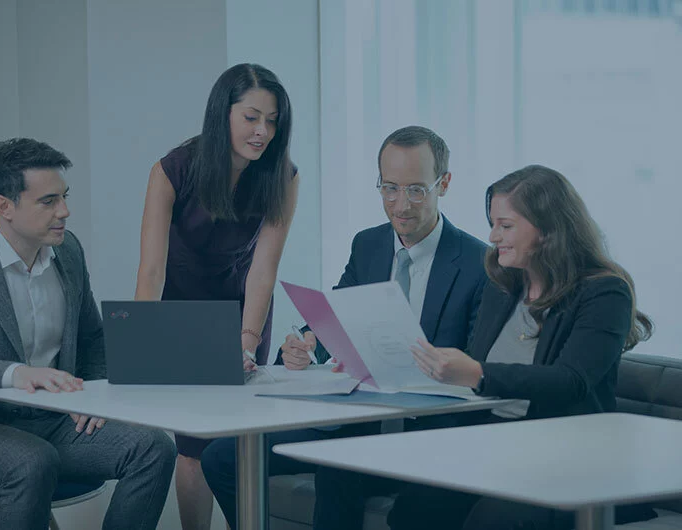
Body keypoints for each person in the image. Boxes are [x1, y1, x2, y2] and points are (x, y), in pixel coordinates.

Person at [313, 164, 655, 530]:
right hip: (488, 446)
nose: (493, 236)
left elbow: (570, 381)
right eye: (492, 223)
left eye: (506, 226)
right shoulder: (502, 283)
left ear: (548, 230)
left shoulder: (604, 292)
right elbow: (468, 372)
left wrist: (476, 373)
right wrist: (371, 362)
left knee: (493, 520)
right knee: (413, 509)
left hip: (562, 459)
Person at [201, 125, 488, 529]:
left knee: (338, 468)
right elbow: (335, 314)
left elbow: (479, 365)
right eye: (389, 188)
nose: (401, 205)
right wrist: (306, 342)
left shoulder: (479, 262)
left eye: (416, 190)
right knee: (221, 458)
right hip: (355, 419)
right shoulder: (368, 245)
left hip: (425, 432)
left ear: (444, 183)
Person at [0, 138, 177, 530]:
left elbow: (91, 338)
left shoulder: (68, 252)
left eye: (64, 197)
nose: (65, 211)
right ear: (4, 206)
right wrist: (20, 374)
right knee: (32, 460)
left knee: (152, 447)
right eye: (48, 201)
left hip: (48, 419)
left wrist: (95, 397)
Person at [135, 63, 299, 529]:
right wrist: (143, 346)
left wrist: (247, 341)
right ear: (221, 112)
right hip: (184, 314)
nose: (262, 131)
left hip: (245, 309)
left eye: (272, 120)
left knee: (240, 444)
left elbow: (264, 271)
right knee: (193, 448)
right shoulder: (172, 170)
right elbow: (151, 270)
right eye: (251, 117)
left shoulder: (282, 176)